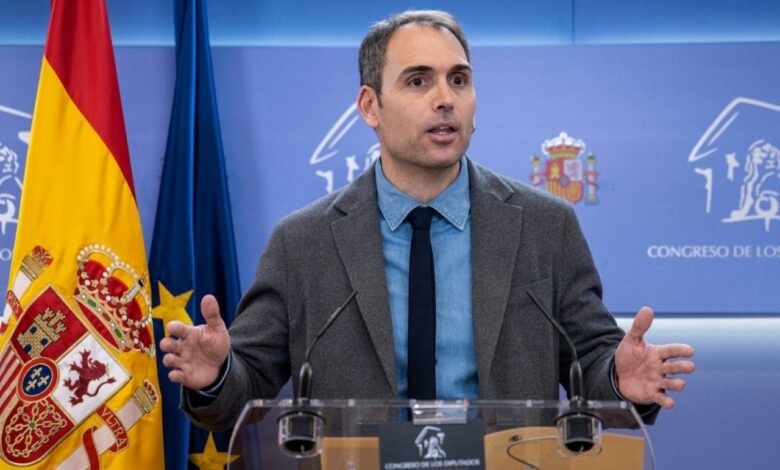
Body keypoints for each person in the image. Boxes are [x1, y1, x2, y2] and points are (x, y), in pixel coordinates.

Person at [160, 10, 695, 432]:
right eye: (419, 82)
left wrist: (621, 381)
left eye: (458, 80)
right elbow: (244, 386)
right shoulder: (303, 241)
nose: (445, 99)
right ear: (370, 106)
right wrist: (216, 376)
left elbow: (591, 362)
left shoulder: (543, 227)